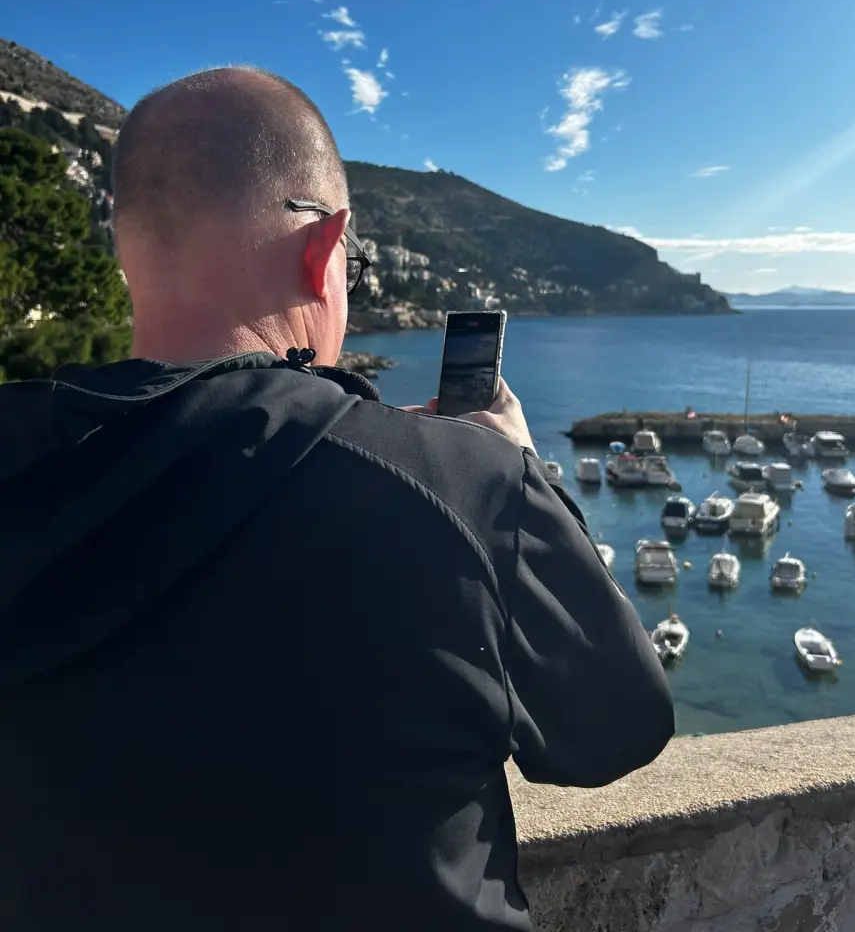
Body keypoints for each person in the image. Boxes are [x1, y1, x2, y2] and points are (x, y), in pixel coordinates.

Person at [0, 66, 673, 931]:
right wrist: (524, 481)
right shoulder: (464, 487)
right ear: (324, 253)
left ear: (128, 248)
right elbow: (615, 730)